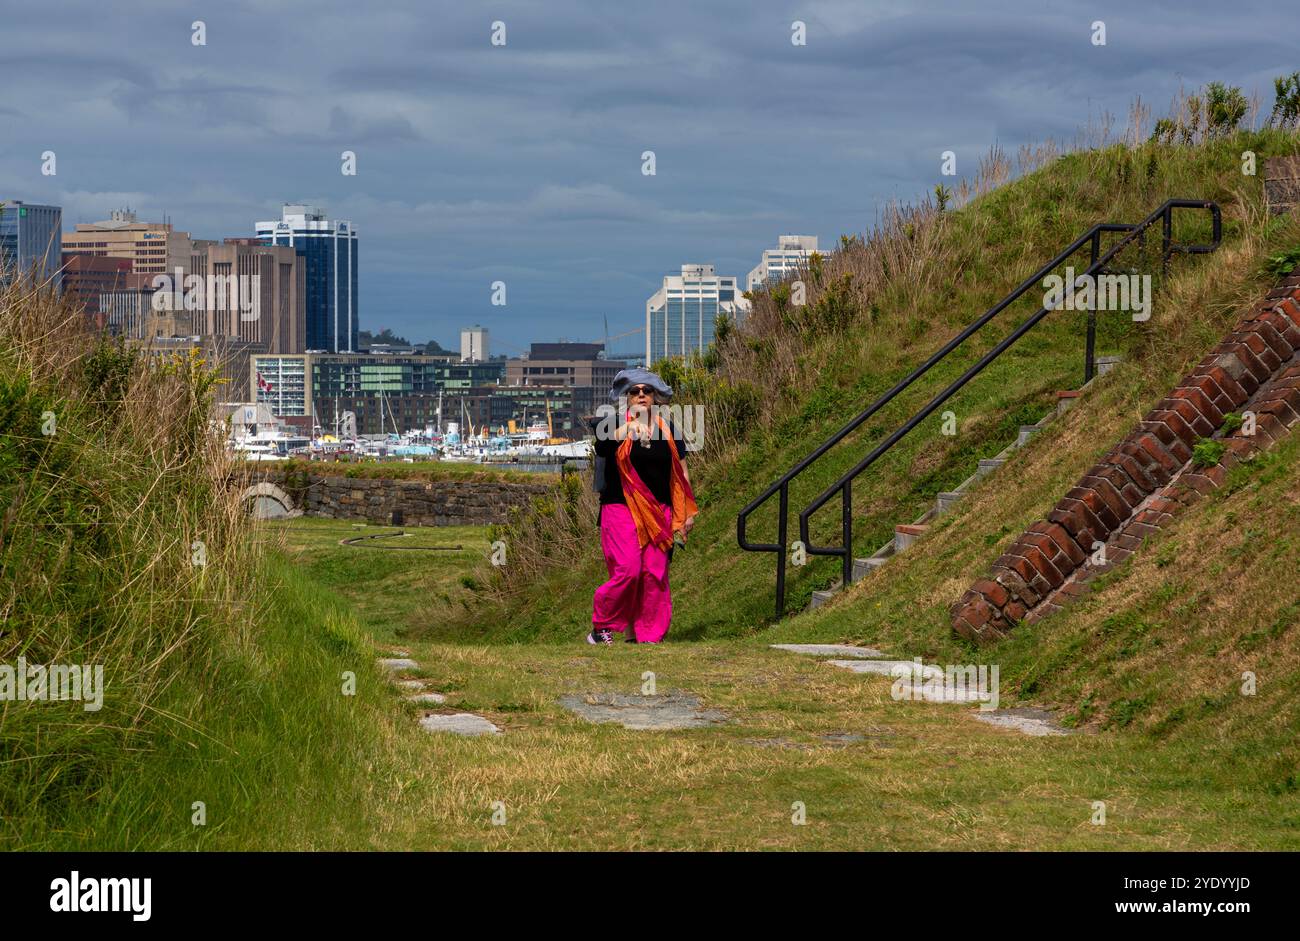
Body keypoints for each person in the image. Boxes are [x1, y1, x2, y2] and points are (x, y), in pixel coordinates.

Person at [586, 368, 697, 645]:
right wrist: (628, 429)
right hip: (619, 508)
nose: (641, 395)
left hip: (660, 511)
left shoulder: (668, 429)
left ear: (655, 397)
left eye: (646, 391)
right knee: (628, 570)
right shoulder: (611, 424)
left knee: (654, 574)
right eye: (634, 392)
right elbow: (602, 443)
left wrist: (685, 514)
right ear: (627, 397)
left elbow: (681, 472)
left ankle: (648, 636)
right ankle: (602, 627)